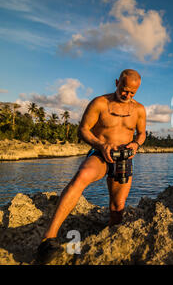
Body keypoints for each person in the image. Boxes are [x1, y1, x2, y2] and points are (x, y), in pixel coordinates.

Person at [36, 69, 147, 264]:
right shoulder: (99, 103)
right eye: (124, 89)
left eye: (132, 93)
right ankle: (48, 238)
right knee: (81, 176)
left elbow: (142, 134)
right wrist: (101, 145)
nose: (126, 95)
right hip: (100, 153)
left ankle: (110, 240)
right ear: (117, 82)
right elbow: (83, 130)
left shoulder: (139, 110)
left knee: (117, 206)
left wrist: (136, 145)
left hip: (124, 159)